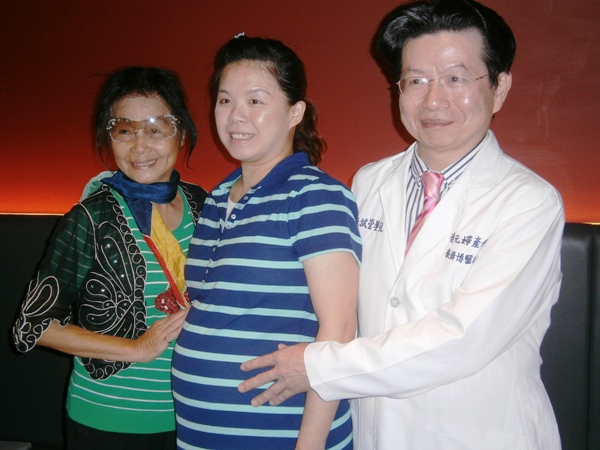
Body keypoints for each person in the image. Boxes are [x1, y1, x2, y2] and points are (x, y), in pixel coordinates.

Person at [237, 1, 565, 449]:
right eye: (416, 80)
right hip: (372, 432)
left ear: (500, 87)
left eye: (455, 78)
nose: (433, 100)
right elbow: (332, 294)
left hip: (476, 433)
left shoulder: (529, 203)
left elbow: (462, 339)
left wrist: (317, 366)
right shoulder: (369, 182)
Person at [171, 35, 361, 449]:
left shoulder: (315, 195)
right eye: (225, 100)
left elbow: (340, 330)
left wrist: (309, 445)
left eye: (255, 101)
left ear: (295, 112)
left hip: (282, 434)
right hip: (200, 433)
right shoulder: (217, 199)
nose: (236, 116)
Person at [12, 66, 207, 450]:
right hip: (111, 419)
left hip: (194, 415)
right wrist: (137, 348)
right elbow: (32, 327)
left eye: (155, 128)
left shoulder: (202, 204)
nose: (140, 145)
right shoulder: (91, 218)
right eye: (125, 130)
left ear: (181, 133)